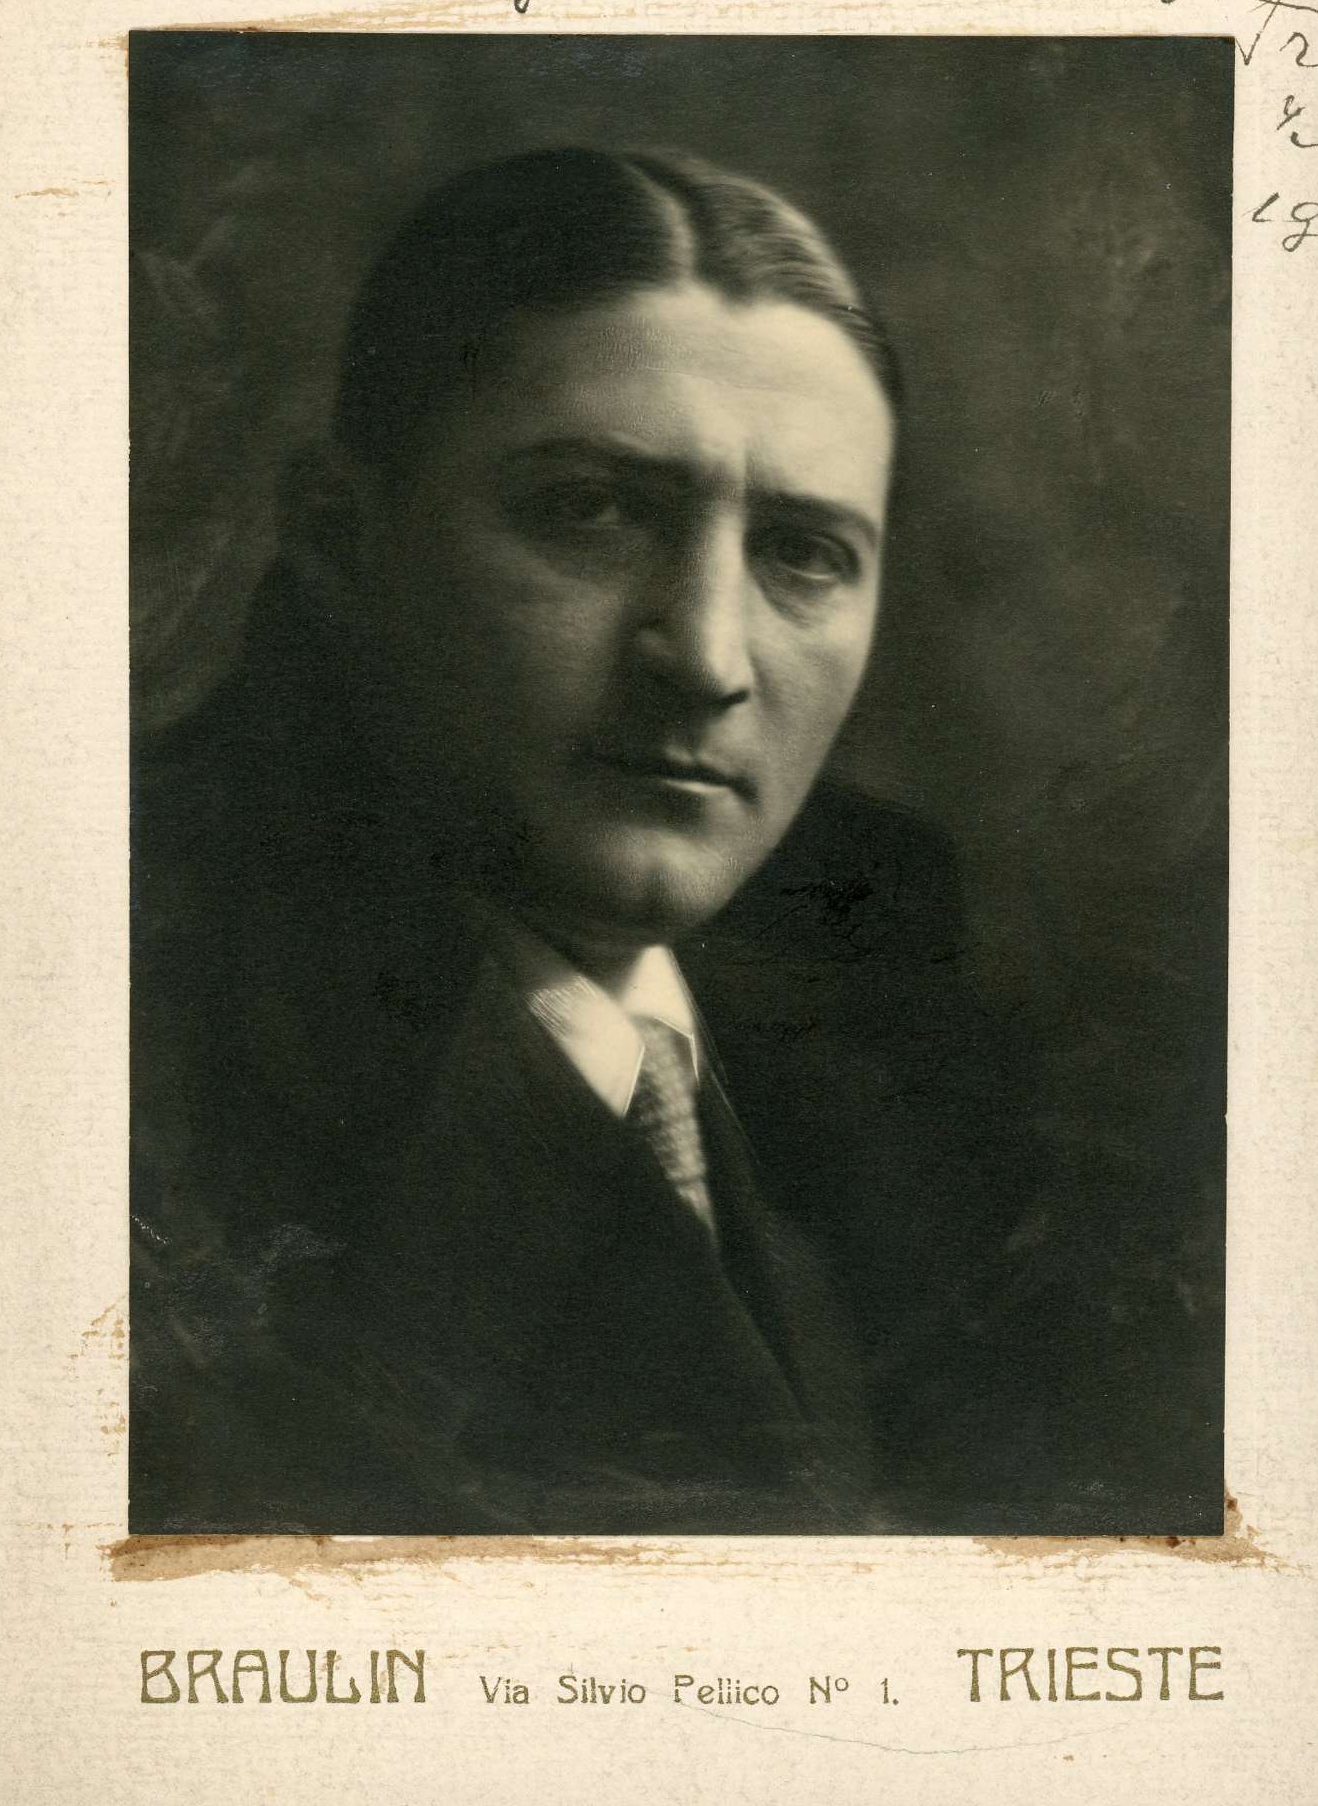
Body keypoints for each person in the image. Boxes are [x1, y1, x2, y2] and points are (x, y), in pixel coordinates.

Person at [129, 147, 1026, 1535]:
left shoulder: (892, 1029)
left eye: (802, 552)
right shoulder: (123, 1019)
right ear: (340, 540)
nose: (707, 658)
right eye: (590, 512)